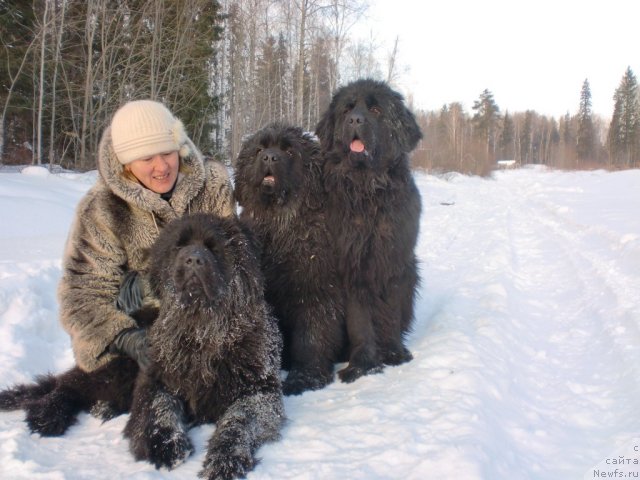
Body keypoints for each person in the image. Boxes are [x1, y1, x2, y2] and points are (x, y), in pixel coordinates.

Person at [58, 99, 235, 373]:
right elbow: (82, 292)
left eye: (167, 153)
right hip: (142, 319)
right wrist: (124, 338)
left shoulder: (213, 184)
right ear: (126, 163)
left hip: (208, 308)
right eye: (147, 158)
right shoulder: (101, 209)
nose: (162, 167)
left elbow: (235, 256)